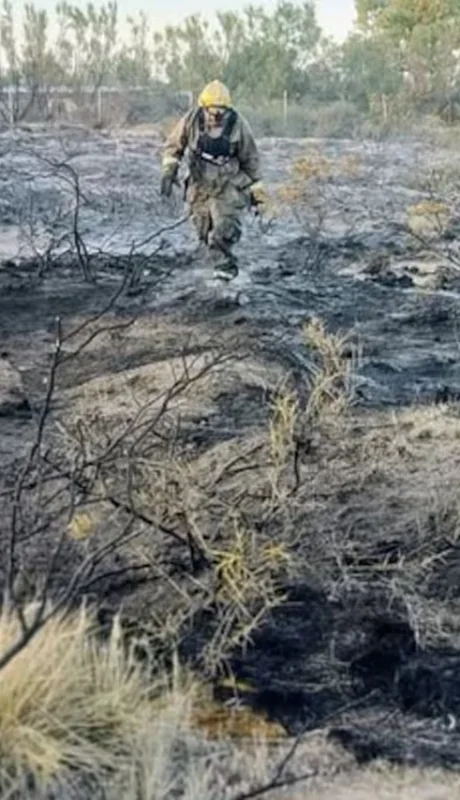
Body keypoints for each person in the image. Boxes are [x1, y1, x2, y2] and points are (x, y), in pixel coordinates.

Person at [160, 80, 265, 279]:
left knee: (224, 230)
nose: (216, 116)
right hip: (199, 184)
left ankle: (226, 273)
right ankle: (211, 265)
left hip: (228, 185)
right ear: (204, 108)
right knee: (202, 230)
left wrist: (258, 195)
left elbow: (252, 160)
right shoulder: (191, 120)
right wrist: (169, 172)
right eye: (212, 111)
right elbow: (173, 147)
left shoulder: (238, 125)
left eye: (221, 112)